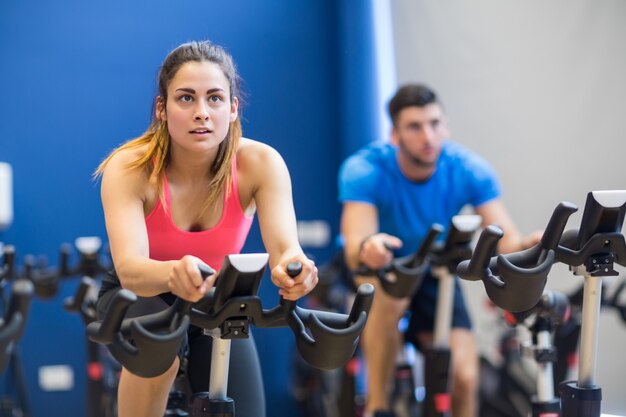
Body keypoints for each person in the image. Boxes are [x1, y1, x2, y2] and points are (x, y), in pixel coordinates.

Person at [94, 40, 318, 417]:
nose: (202, 112)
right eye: (186, 99)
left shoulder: (261, 163)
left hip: (215, 301)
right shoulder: (130, 167)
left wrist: (297, 272)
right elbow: (131, 270)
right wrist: (173, 272)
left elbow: (286, 251)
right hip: (137, 295)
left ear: (232, 109)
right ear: (162, 109)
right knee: (158, 357)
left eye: (214, 98)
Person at [338, 84, 541, 417]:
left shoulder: (467, 168)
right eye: (414, 127)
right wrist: (369, 248)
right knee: (389, 295)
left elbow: (509, 242)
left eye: (435, 124)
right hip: (385, 269)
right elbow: (356, 246)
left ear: (445, 125)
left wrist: (530, 246)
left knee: (463, 377)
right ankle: (378, 406)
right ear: (395, 135)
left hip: (435, 272)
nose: (428, 136)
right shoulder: (366, 169)